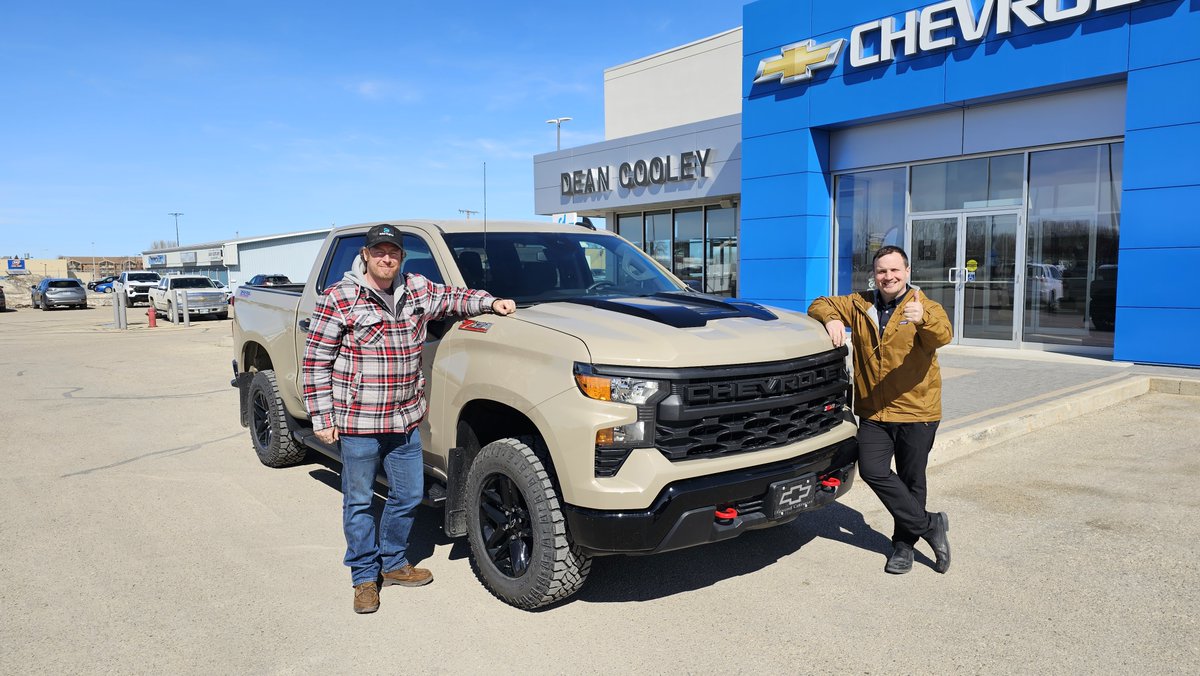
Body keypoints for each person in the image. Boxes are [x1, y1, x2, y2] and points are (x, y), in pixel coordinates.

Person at [301, 224, 516, 613]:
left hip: (404, 420)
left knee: (408, 495)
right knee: (359, 501)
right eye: (379, 252)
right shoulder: (340, 297)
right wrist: (322, 417)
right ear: (366, 255)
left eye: (394, 252)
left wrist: (490, 301)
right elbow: (316, 361)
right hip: (358, 422)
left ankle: (394, 562)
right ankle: (365, 577)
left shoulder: (417, 289)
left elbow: (454, 297)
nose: (387, 258)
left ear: (402, 256)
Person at [808, 245, 953, 575]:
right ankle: (930, 525)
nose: (888, 276)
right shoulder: (861, 303)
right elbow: (819, 302)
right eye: (882, 271)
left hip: (918, 410)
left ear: (907, 272)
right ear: (874, 274)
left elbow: (944, 335)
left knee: (911, 479)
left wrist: (924, 320)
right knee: (873, 470)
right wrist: (831, 318)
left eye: (895, 270)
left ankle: (903, 545)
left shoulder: (924, 306)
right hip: (874, 410)